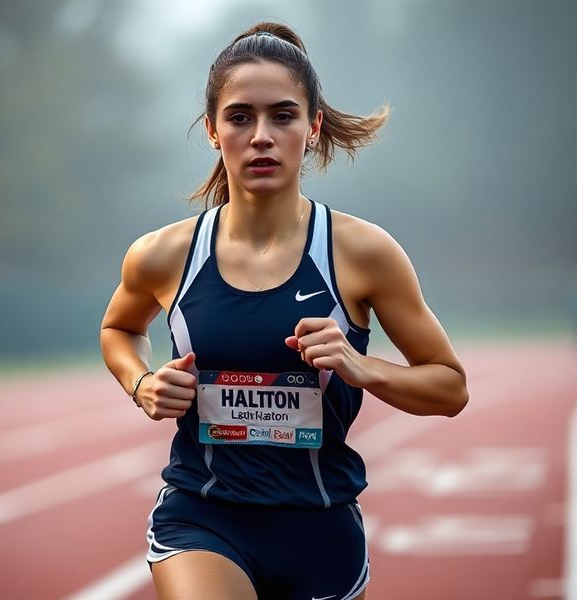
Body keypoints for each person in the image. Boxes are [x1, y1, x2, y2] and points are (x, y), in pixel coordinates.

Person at [100, 21, 468, 600]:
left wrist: (361, 366)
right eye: (240, 117)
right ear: (213, 131)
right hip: (203, 514)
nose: (262, 136)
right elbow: (119, 328)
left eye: (283, 115)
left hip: (319, 527)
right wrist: (140, 381)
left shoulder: (363, 253)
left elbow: (449, 388)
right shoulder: (164, 254)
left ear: (313, 126)